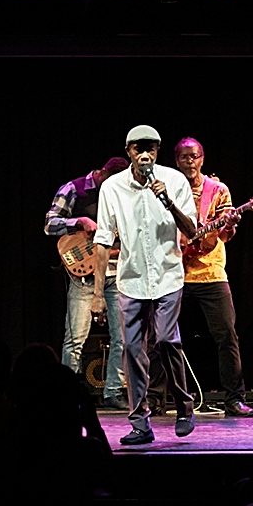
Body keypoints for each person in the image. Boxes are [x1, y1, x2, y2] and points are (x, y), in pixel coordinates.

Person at [89, 125, 198, 445]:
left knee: (166, 340)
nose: (145, 153)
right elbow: (102, 241)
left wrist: (167, 201)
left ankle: (183, 405)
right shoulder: (112, 188)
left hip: (167, 275)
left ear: (158, 150)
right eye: (139, 148)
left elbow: (191, 230)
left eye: (151, 147)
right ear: (129, 152)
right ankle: (140, 422)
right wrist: (97, 294)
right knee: (132, 349)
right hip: (131, 279)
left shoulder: (175, 181)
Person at [161, 137, 253, 417]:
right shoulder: (166, 189)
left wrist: (229, 226)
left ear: (202, 158)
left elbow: (224, 234)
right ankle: (154, 400)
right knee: (159, 337)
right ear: (176, 160)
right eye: (184, 157)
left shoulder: (217, 190)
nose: (190, 162)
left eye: (195, 156)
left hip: (210, 273)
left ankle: (234, 398)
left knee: (227, 334)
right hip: (173, 271)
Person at [44, 156, 130, 409]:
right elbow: (49, 224)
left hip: (115, 273)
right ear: (102, 173)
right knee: (75, 338)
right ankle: (66, 394)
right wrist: (78, 222)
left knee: (122, 337)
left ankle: (113, 392)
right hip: (84, 275)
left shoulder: (126, 193)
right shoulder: (74, 189)